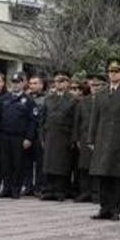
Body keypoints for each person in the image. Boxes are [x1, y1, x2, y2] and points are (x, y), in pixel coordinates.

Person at [88, 59, 120, 221]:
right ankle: (104, 208)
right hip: (103, 139)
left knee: (118, 176)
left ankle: (116, 210)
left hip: (119, 139)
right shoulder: (101, 93)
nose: (113, 74)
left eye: (117, 71)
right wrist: (91, 138)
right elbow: (94, 118)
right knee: (103, 175)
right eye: (111, 71)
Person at [0, 72, 36, 199]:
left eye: (18, 82)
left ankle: (15, 189)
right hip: (5, 135)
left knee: (18, 164)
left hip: (19, 137)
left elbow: (32, 121)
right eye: (14, 82)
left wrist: (29, 138)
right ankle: (6, 187)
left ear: (23, 83)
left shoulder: (28, 100)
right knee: (5, 163)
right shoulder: (5, 98)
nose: (16, 85)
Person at [41, 70, 78, 201]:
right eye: (56, 81)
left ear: (68, 83)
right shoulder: (48, 99)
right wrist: (42, 136)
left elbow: (75, 121)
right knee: (48, 164)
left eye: (62, 81)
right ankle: (48, 190)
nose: (59, 84)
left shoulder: (73, 100)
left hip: (64, 135)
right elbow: (42, 119)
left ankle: (60, 190)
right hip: (50, 134)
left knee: (62, 164)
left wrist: (74, 139)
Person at [73, 74, 101, 203]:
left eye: (98, 85)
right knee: (84, 166)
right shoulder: (83, 101)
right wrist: (76, 138)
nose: (95, 88)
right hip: (84, 136)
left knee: (97, 167)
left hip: (99, 137)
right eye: (93, 85)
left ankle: (97, 193)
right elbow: (77, 121)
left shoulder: (105, 101)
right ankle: (85, 192)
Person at [24, 74, 46, 197]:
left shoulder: (46, 99)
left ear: (41, 85)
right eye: (31, 83)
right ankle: (28, 186)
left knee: (40, 162)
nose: (32, 86)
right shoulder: (25, 98)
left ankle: (39, 186)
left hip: (39, 134)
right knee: (26, 162)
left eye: (35, 83)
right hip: (27, 134)